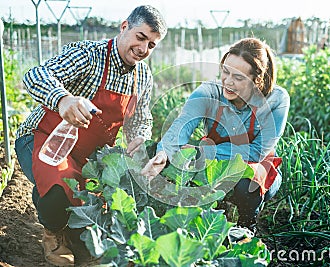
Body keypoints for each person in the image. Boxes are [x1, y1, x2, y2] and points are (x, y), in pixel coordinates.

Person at [14, 5, 167, 266]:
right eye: (140, 38)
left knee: (88, 212)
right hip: (45, 140)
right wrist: (62, 100)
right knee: (57, 191)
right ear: (124, 27)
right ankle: (53, 233)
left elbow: (140, 120)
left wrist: (140, 139)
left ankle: (68, 228)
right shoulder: (89, 55)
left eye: (151, 45)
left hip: (89, 158)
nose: (143, 49)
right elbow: (35, 75)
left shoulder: (142, 77)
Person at [141, 37, 290, 230]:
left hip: (256, 165)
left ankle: (246, 228)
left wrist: (200, 153)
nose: (228, 82)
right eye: (225, 72)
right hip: (212, 162)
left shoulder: (276, 99)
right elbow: (181, 127)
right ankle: (210, 218)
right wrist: (162, 154)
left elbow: (256, 152)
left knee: (247, 186)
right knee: (178, 167)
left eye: (238, 78)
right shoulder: (209, 93)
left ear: (256, 79)